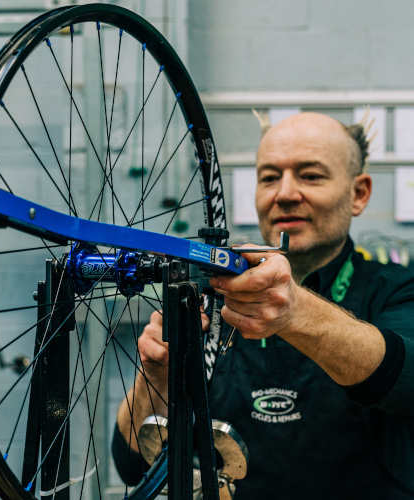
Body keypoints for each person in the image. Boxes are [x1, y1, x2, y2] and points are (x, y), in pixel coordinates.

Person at [113, 112, 414, 499]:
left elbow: (406, 377)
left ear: (359, 194)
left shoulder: (398, 288)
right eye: (269, 177)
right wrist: (155, 379)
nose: (284, 193)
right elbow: (132, 464)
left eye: (311, 176)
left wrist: (294, 312)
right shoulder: (212, 301)